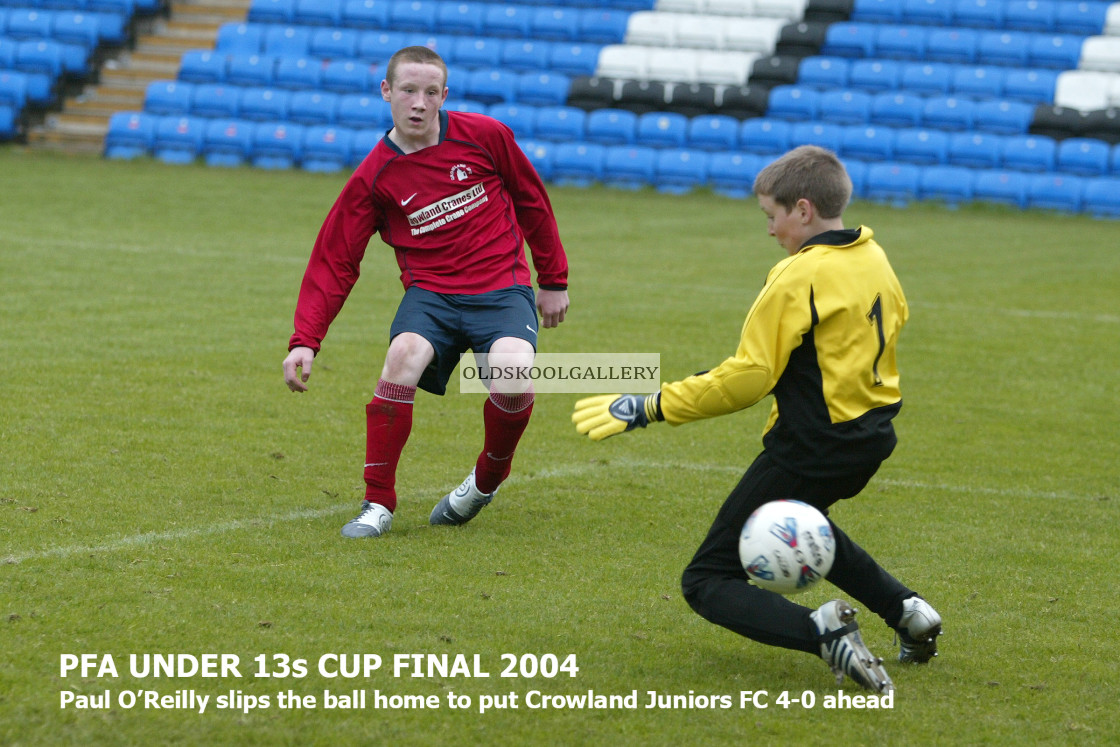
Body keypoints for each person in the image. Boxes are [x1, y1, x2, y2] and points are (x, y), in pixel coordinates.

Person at [572, 146, 940, 692]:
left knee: (707, 578)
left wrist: (649, 406)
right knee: (805, 524)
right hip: (871, 434)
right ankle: (908, 610)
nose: (770, 230)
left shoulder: (799, 276)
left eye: (772, 216)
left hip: (812, 443)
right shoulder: (872, 254)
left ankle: (823, 634)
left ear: (804, 211)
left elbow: (747, 378)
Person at [284, 46, 569, 538]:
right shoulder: (375, 176)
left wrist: (553, 279)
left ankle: (486, 479)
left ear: (444, 96)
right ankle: (377, 503)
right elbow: (335, 261)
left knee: (513, 370)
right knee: (403, 356)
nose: (418, 102)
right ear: (387, 92)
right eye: (408, 91)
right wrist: (305, 339)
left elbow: (531, 202)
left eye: (430, 93)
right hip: (431, 294)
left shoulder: (486, 137)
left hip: (502, 288)